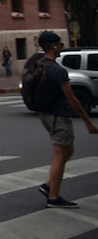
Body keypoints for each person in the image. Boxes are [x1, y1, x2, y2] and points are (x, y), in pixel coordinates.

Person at [32, 30, 97, 208]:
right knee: (61, 155)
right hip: (58, 116)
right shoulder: (56, 70)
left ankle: (48, 185)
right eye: (60, 44)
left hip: (45, 114)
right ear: (54, 46)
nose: (61, 47)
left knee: (67, 151)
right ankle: (53, 196)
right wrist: (88, 122)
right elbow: (72, 99)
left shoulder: (39, 64)